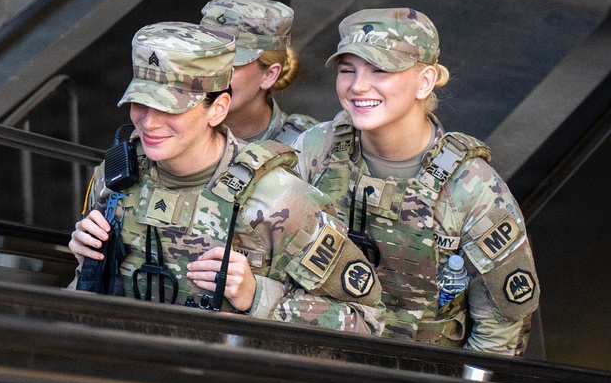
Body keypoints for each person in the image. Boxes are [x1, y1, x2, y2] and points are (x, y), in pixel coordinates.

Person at [68, 21, 383, 334]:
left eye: (170, 108)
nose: (149, 123)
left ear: (217, 109)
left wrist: (256, 296)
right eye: (141, 103)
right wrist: (89, 265)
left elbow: (365, 322)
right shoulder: (117, 176)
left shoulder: (279, 199)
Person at [293, 8, 540, 354]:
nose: (358, 86)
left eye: (380, 70)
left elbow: (501, 333)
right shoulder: (315, 149)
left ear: (424, 81)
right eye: (347, 70)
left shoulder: (471, 187)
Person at [199, 0, 317, 145]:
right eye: (203, 61)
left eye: (228, 66)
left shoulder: (308, 144)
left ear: (269, 75)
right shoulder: (171, 130)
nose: (210, 75)